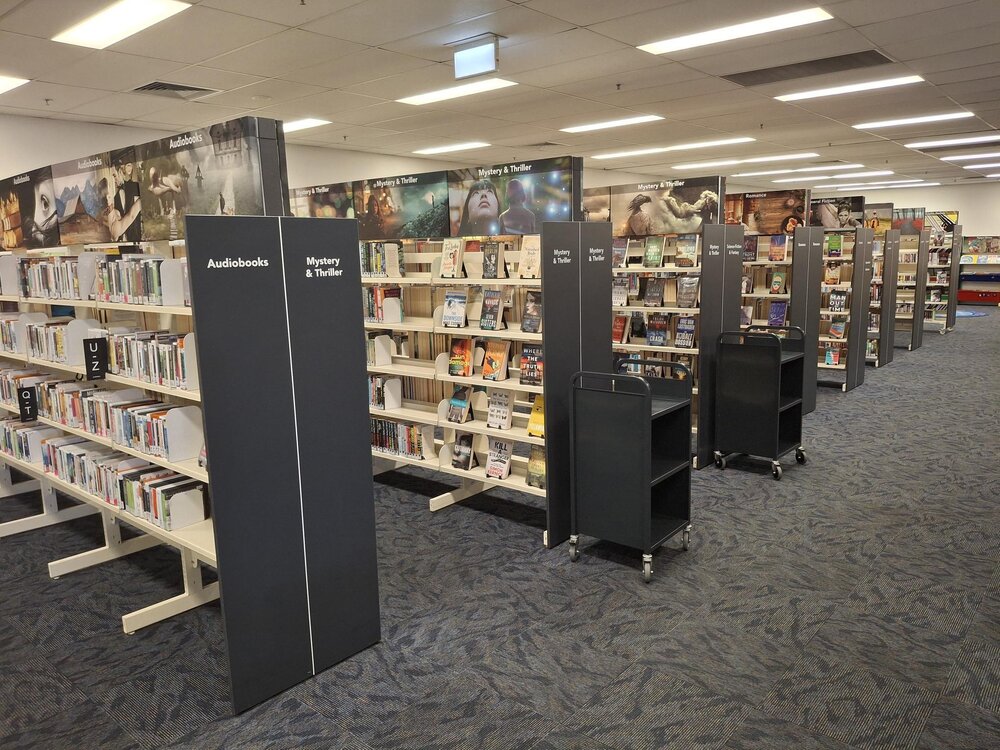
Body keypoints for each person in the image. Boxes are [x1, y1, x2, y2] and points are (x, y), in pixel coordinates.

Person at [113, 157, 142, 242]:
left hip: (137, 238)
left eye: (115, 175)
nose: (114, 179)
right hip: (121, 241)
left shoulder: (136, 187)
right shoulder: (115, 196)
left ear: (121, 171)